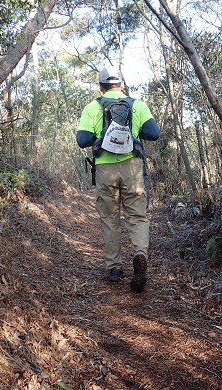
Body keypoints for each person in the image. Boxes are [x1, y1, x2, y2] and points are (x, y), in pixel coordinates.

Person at [76, 65, 160, 292]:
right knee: (137, 216)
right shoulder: (137, 105)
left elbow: (82, 140)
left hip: (105, 169)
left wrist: (98, 134)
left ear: (100, 86)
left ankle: (114, 268)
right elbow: (154, 133)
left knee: (110, 217)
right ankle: (140, 255)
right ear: (121, 84)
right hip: (132, 167)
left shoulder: (92, 108)